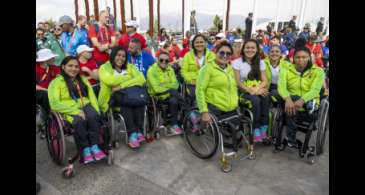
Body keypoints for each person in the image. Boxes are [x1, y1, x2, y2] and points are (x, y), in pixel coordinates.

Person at [48, 56, 107, 164]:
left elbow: (92, 96)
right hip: (68, 109)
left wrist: (96, 110)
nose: (74, 69)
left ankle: (94, 146)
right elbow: (54, 104)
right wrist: (76, 112)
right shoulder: (56, 82)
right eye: (70, 66)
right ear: (63, 67)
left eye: (76, 66)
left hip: (85, 104)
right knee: (79, 120)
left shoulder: (82, 79)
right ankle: (85, 149)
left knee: (94, 116)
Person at [98, 46, 146, 148]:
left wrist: (121, 85)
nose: (121, 58)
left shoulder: (129, 66)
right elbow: (110, 81)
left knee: (138, 102)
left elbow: (141, 79)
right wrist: (130, 78)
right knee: (127, 105)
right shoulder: (104, 67)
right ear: (113, 55)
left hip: (129, 95)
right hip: (111, 99)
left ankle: (139, 131)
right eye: (118, 55)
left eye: (123, 56)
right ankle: (132, 134)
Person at [278, 47, 325, 147]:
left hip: (307, 103)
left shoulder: (318, 71)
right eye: (298, 57)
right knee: (290, 98)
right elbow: (281, 86)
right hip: (289, 103)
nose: (301, 60)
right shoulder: (286, 69)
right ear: (293, 58)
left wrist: (302, 100)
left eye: (304, 57)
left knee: (297, 101)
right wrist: (288, 99)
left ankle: (290, 137)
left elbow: (315, 90)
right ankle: (290, 138)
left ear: (309, 57)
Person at [232, 39, 270, 142]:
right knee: (256, 100)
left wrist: (257, 89)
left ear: (257, 50)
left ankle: (264, 127)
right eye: (247, 47)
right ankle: (255, 128)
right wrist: (250, 90)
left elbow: (265, 80)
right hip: (242, 92)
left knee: (266, 96)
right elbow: (238, 82)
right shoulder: (237, 62)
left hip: (256, 89)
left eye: (253, 48)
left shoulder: (261, 62)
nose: (250, 50)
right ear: (243, 49)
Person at [196, 42, 238, 131]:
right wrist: (204, 111)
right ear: (216, 52)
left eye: (228, 53)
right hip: (215, 108)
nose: (225, 55)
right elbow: (200, 90)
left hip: (231, 108)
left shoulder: (231, 69)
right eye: (222, 52)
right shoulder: (207, 68)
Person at [147, 52, 182, 135]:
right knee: (175, 100)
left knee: (181, 98)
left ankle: (178, 121)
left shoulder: (170, 69)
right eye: (161, 60)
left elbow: (176, 84)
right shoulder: (151, 70)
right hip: (157, 96)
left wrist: (164, 85)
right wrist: (170, 86)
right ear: (157, 60)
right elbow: (156, 89)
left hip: (170, 94)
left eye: (166, 60)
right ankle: (174, 124)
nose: (164, 62)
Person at [181, 34, 215, 105]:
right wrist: (192, 80)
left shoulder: (212, 55)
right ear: (193, 44)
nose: (199, 44)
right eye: (197, 42)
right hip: (192, 83)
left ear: (205, 43)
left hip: (208, 83)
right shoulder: (188, 56)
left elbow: (214, 70)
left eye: (201, 42)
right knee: (197, 96)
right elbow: (183, 72)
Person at [36, 49, 61, 117]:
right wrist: (47, 90)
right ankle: (49, 114)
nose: (54, 58)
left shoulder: (54, 67)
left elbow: (60, 78)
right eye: (51, 57)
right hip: (41, 93)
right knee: (44, 94)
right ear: (45, 60)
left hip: (52, 92)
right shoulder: (37, 69)